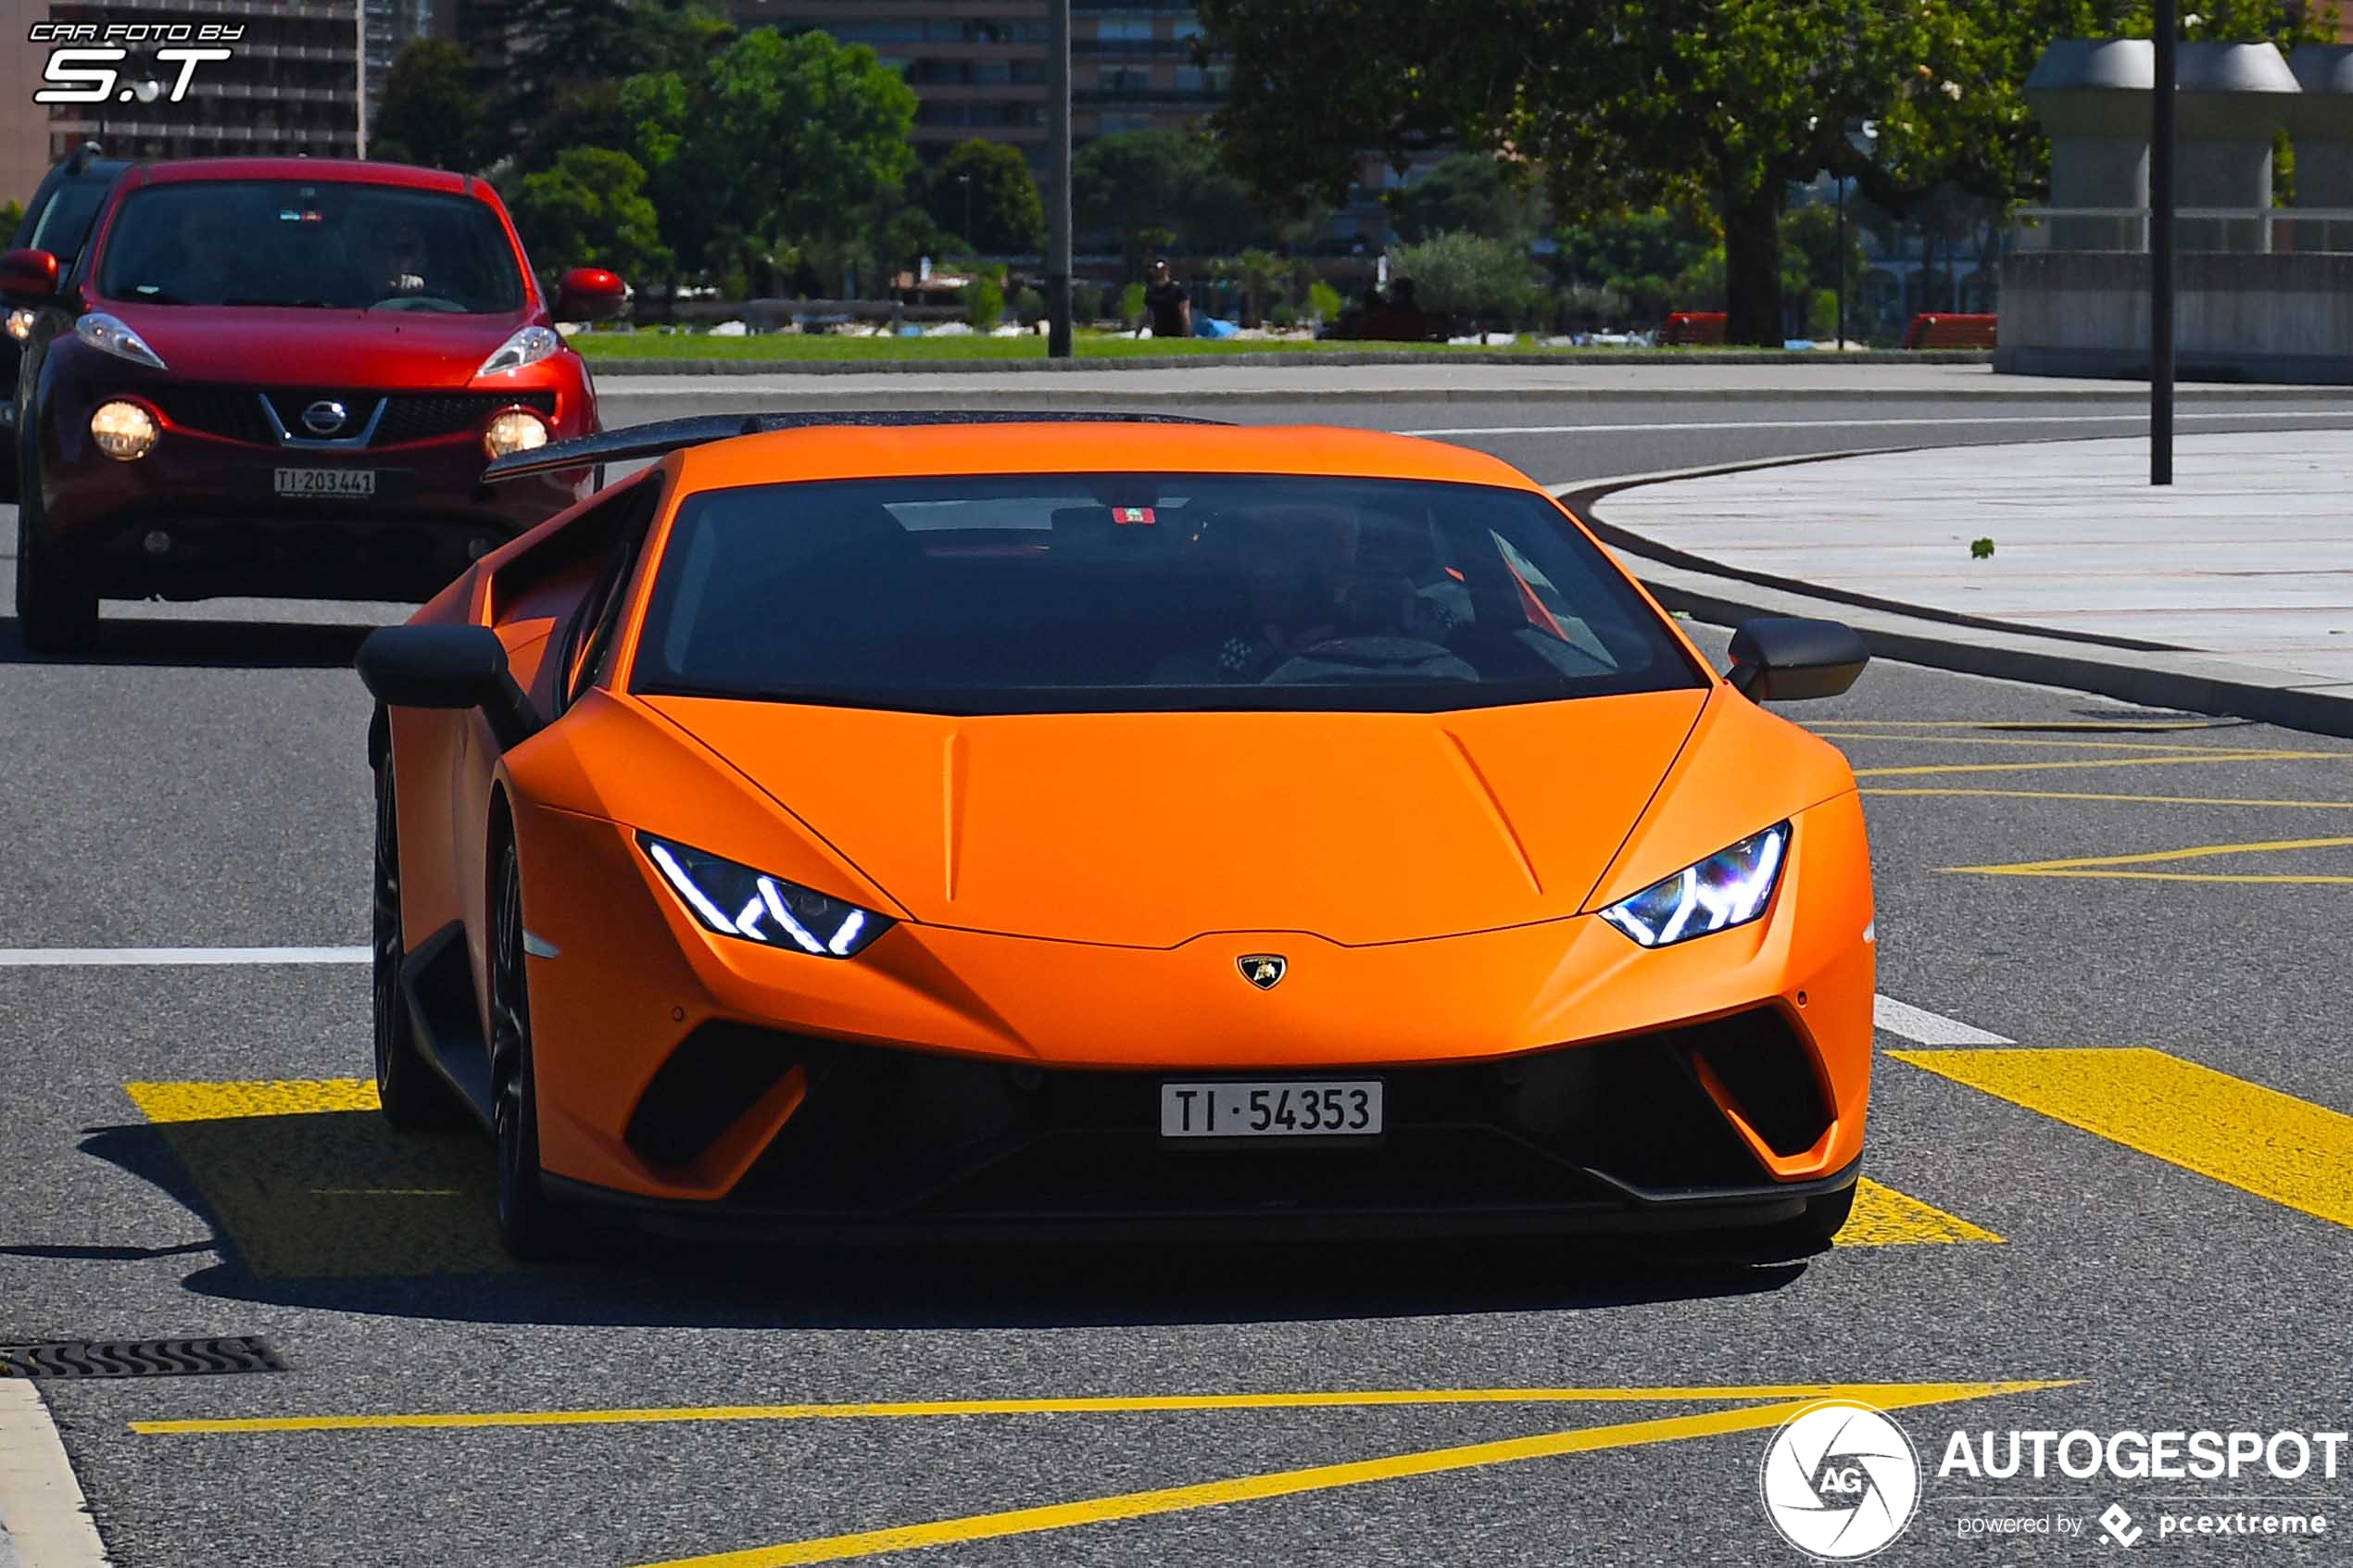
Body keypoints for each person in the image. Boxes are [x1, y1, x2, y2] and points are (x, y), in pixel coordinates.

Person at [1142, 258, 1190, 340]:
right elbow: (1146, 312)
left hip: (1176, 333)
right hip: (1158, 333)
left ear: (1167, 270)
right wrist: (1138, 332)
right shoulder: (1151, 290)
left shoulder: (1177, 289)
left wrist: (1187, 333)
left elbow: (1184, 313)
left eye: (1162, 269)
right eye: (1156, 269)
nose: (1159, 271)